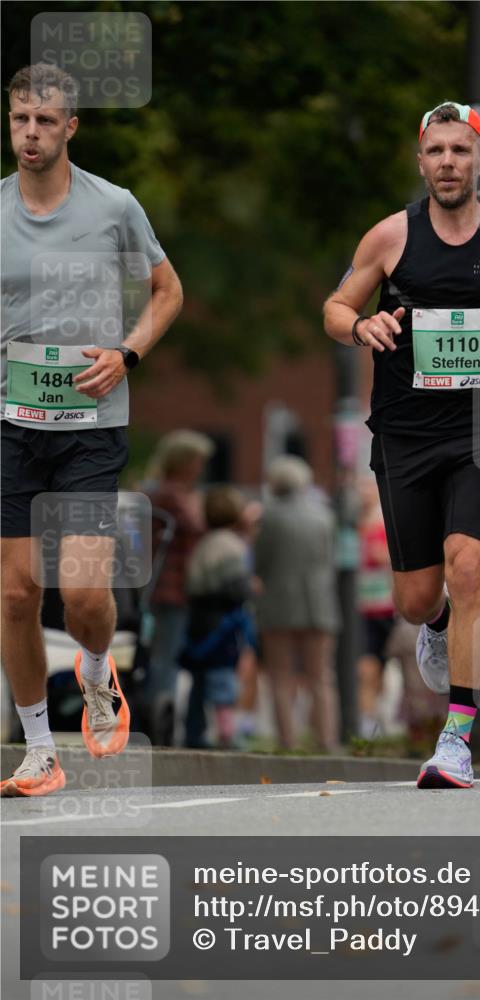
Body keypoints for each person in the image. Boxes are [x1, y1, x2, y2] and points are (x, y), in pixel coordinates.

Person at [323, 101, 480, 789]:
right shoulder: (388, 238)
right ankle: (433, 623)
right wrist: (357, 329)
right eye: (435, 151)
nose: (447, 163)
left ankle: (455, 738)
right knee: (414, 598)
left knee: (469, 571)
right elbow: (336, 306)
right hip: (403, 430)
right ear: (420, 160)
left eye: (460, 151)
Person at [1, 64, 183, 796]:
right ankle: (39, 750)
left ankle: (99, 669)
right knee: (15, 595)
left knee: (80, 594)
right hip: (11, 421)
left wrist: (128, 351)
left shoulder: (115, 207)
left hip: (89, 424)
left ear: (71, 126)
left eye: (46, 121)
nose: (31, 134)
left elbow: (168, 291)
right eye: (20, 120)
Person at [254, 456, 340, 751]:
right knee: (321, 677)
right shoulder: (324, 516)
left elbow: (260, 562)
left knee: (280, 676)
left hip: (279, 603)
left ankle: (288, 741)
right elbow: (330, 559)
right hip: (319, 602)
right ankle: (327, 739)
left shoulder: (269, 516)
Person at [142, 430, 213, 723]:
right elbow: (198, 528)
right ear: (183, 462)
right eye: (197, 461)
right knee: (164, 657)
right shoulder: (171, 494)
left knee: (159, 654)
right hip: (168, 588)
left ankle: (156, 713)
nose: (201, 467)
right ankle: (159, 718)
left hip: (159, 586)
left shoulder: (155, 490)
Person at [180, 486, 256, 749]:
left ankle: (194, 731)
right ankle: (226, 731)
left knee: (199, 679)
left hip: (199, 618)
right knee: (223, 676)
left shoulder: (204, 543)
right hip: (223, 621)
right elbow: (237, 588)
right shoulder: (233, 546)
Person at [356, 477, 395, 738]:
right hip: (364, 608)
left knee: (381, 667)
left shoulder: (388, 524)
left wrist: (386, 557)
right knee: (367, 667)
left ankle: (376, 715)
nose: (367, 496)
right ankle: (368, 720)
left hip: (389, 608)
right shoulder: (352, 526)